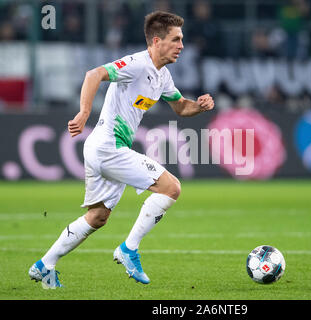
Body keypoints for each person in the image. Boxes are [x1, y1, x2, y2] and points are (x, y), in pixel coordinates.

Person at [28, 11, 214, 289]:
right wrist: (83, 113)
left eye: (182, 40)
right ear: (156, 40)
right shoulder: (137, 64)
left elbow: (180, 107)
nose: (181, 46)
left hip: (104, 148)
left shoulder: (162, 76)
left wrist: (199, 106)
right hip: (107, 146)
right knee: (172, 188)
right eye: (176, 39)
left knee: (97, 216)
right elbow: (95, 74)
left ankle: (44, 265)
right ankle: (129, 249)